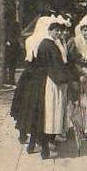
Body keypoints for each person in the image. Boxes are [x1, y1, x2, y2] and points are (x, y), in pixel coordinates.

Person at [11, 16, 52, 147]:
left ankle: (23, 133)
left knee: (25, 104)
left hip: (27, 75)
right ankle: (38, 135)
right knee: (36, 106)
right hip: (40, 76)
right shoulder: (45, 42)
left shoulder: (30, 39)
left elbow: (28, 57)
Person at [36, 18, 71, 159]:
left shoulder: (53, 43)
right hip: (51, 81)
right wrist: (61, 78)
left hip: (56, 79)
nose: (58, 33)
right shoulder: (46, 44)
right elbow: (50, 66)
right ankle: (46, 142)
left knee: (55, 110)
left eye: (59, 31)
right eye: (55, 31)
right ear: (49, 31)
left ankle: (51, 138)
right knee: (51, 111)